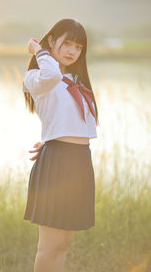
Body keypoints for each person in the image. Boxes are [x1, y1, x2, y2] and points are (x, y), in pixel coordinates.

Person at [22, 18, 99, 272]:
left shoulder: (76, 80)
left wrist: (47, 140)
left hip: (79, 161)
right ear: (52, 40)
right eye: (67, 43)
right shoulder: (36, 77)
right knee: (48, 246)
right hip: (58, 164)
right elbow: (52, 75)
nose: (72, 51)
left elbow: (72, 123)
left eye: (78, 47)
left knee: (63, 244)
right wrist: (38, 50)